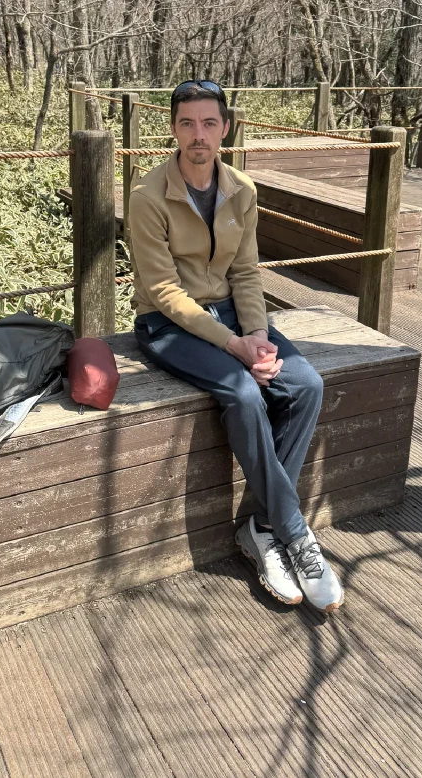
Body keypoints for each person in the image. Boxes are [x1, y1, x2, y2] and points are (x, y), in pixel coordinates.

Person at [128, 79, 344, 611]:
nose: (197, 135)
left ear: (226, 127)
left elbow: (246, 272)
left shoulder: (241, 189)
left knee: (306, 385)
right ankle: (295, 534)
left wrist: (260, 337)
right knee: (244, 395)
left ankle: (263, 527)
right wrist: (233, 346)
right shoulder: (147, 195)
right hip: (167, 324)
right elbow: (161, 291)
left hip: (233, 319)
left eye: (208, 123)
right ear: (173, 129)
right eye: (186, 124)